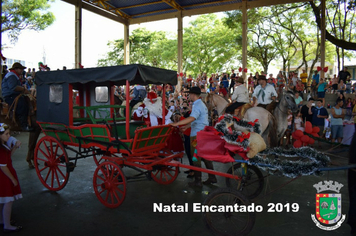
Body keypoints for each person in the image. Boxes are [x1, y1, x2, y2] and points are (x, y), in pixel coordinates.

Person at [170, 87, 215, 187]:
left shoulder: (197, 105)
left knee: (195, 157)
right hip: (201, 133)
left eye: (189, 94)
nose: (188, 96)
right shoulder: (200, 104)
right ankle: (212, 177)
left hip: (197, 135)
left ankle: (198, 181)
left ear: (193, 94)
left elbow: (192, 118)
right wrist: (186, 126)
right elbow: (197, 120)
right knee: (204, 156)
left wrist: (177, 123)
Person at [0, 123, 23, 232]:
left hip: (5, 175)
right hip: (4, 176)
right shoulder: (0, 149)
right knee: (8, 200)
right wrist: (12, 178)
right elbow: (3, 167)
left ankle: (3, 220)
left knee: (3, 200)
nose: (8, 136)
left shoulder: (3, 146)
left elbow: (8, 156)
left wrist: (14, 147)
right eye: (6, 134)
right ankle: (7, 225)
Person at [1, 62, 32, 131]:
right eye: (20, 69)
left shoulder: (14, 75)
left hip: (13, 95)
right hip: (9, 95)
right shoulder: (11, 75)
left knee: (26, 100)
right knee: (22, 105)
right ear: (16, 69)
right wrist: (23, 89)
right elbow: (13, 87)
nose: (22, 70)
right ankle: (23, 125)